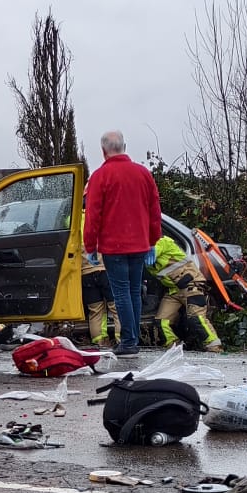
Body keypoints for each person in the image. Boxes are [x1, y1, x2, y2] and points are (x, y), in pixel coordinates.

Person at [82, 130, 160, 355]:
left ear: (103, 150)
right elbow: (154, 210)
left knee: (122, 292)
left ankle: (128, 341)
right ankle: (132, 339)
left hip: (114, 246)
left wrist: (91, 246)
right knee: (134, 291)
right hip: (139, 245)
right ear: (124, 147)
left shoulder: (101, 176)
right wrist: (152, 240)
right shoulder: (143, 174)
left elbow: (93, 215)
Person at [147, 234, 225, 352]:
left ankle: (214, 347)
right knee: (161, 322)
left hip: (191, 285)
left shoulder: (162, 242)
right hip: (173, 290)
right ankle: (174, 347)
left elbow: (145, 253)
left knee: (196, 318)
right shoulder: (147, 252)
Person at [80, 249, 118, 348]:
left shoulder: (77, 233)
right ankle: (121, 339)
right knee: (116, 307)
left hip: (86, 273)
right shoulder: (102, 232)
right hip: (105, 270)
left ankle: (99, 341)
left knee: (95, 310)